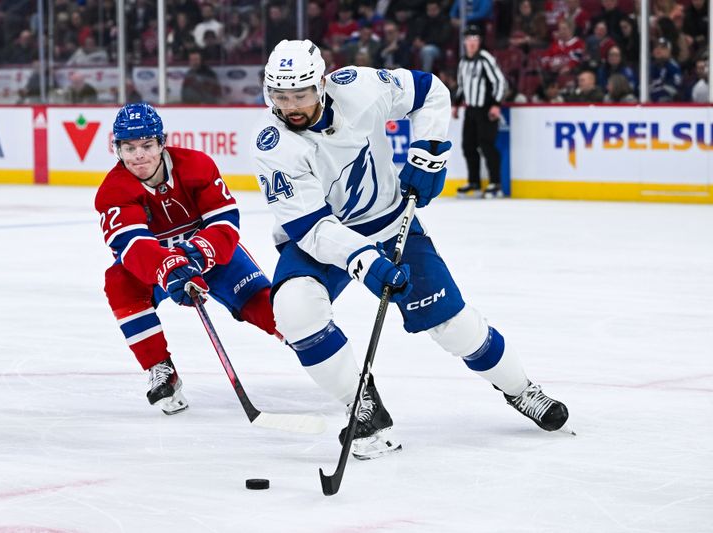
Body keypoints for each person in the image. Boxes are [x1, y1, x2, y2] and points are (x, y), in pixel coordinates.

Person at [249, 39, 570, 460]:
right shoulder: (273, 146)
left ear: (322, 84)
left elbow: (430, 90)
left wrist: (430, 151)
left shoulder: (359, 88)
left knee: (454, 326)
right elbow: (312, 229)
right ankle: (360, 404)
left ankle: (520, 389)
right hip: (320, 240)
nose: (289, 105)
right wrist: (367, 262)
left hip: (389, 222)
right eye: (279, 95)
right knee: (294, 308)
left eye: (300, 94)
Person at [95, 102, 278, 415]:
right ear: (117, 149)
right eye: (129, 147)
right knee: (119, 283)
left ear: (162, 142)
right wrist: (170, 267)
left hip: (215, 259)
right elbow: (134, 248)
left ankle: (319, 350)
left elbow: (224, 226)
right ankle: (160, 367)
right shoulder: (112, 192)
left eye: (147, 145)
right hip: (159, 269)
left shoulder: (196, 165)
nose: (138, 156)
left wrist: (196, 255)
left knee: (272, 311)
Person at [453, 25, 506, 198]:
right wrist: (456, 104)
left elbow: (499, 82)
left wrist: (496, 104)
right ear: (464, 42)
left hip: (486, 109)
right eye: (469, 39)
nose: (472, 43)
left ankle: (495, 183)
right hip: (471, 110)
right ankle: (474, 182)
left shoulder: (485, 59)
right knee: (468, 146)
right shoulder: (463, 62)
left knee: (487, 145)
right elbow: (462, 85)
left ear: (480, 42)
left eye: (475, 39)